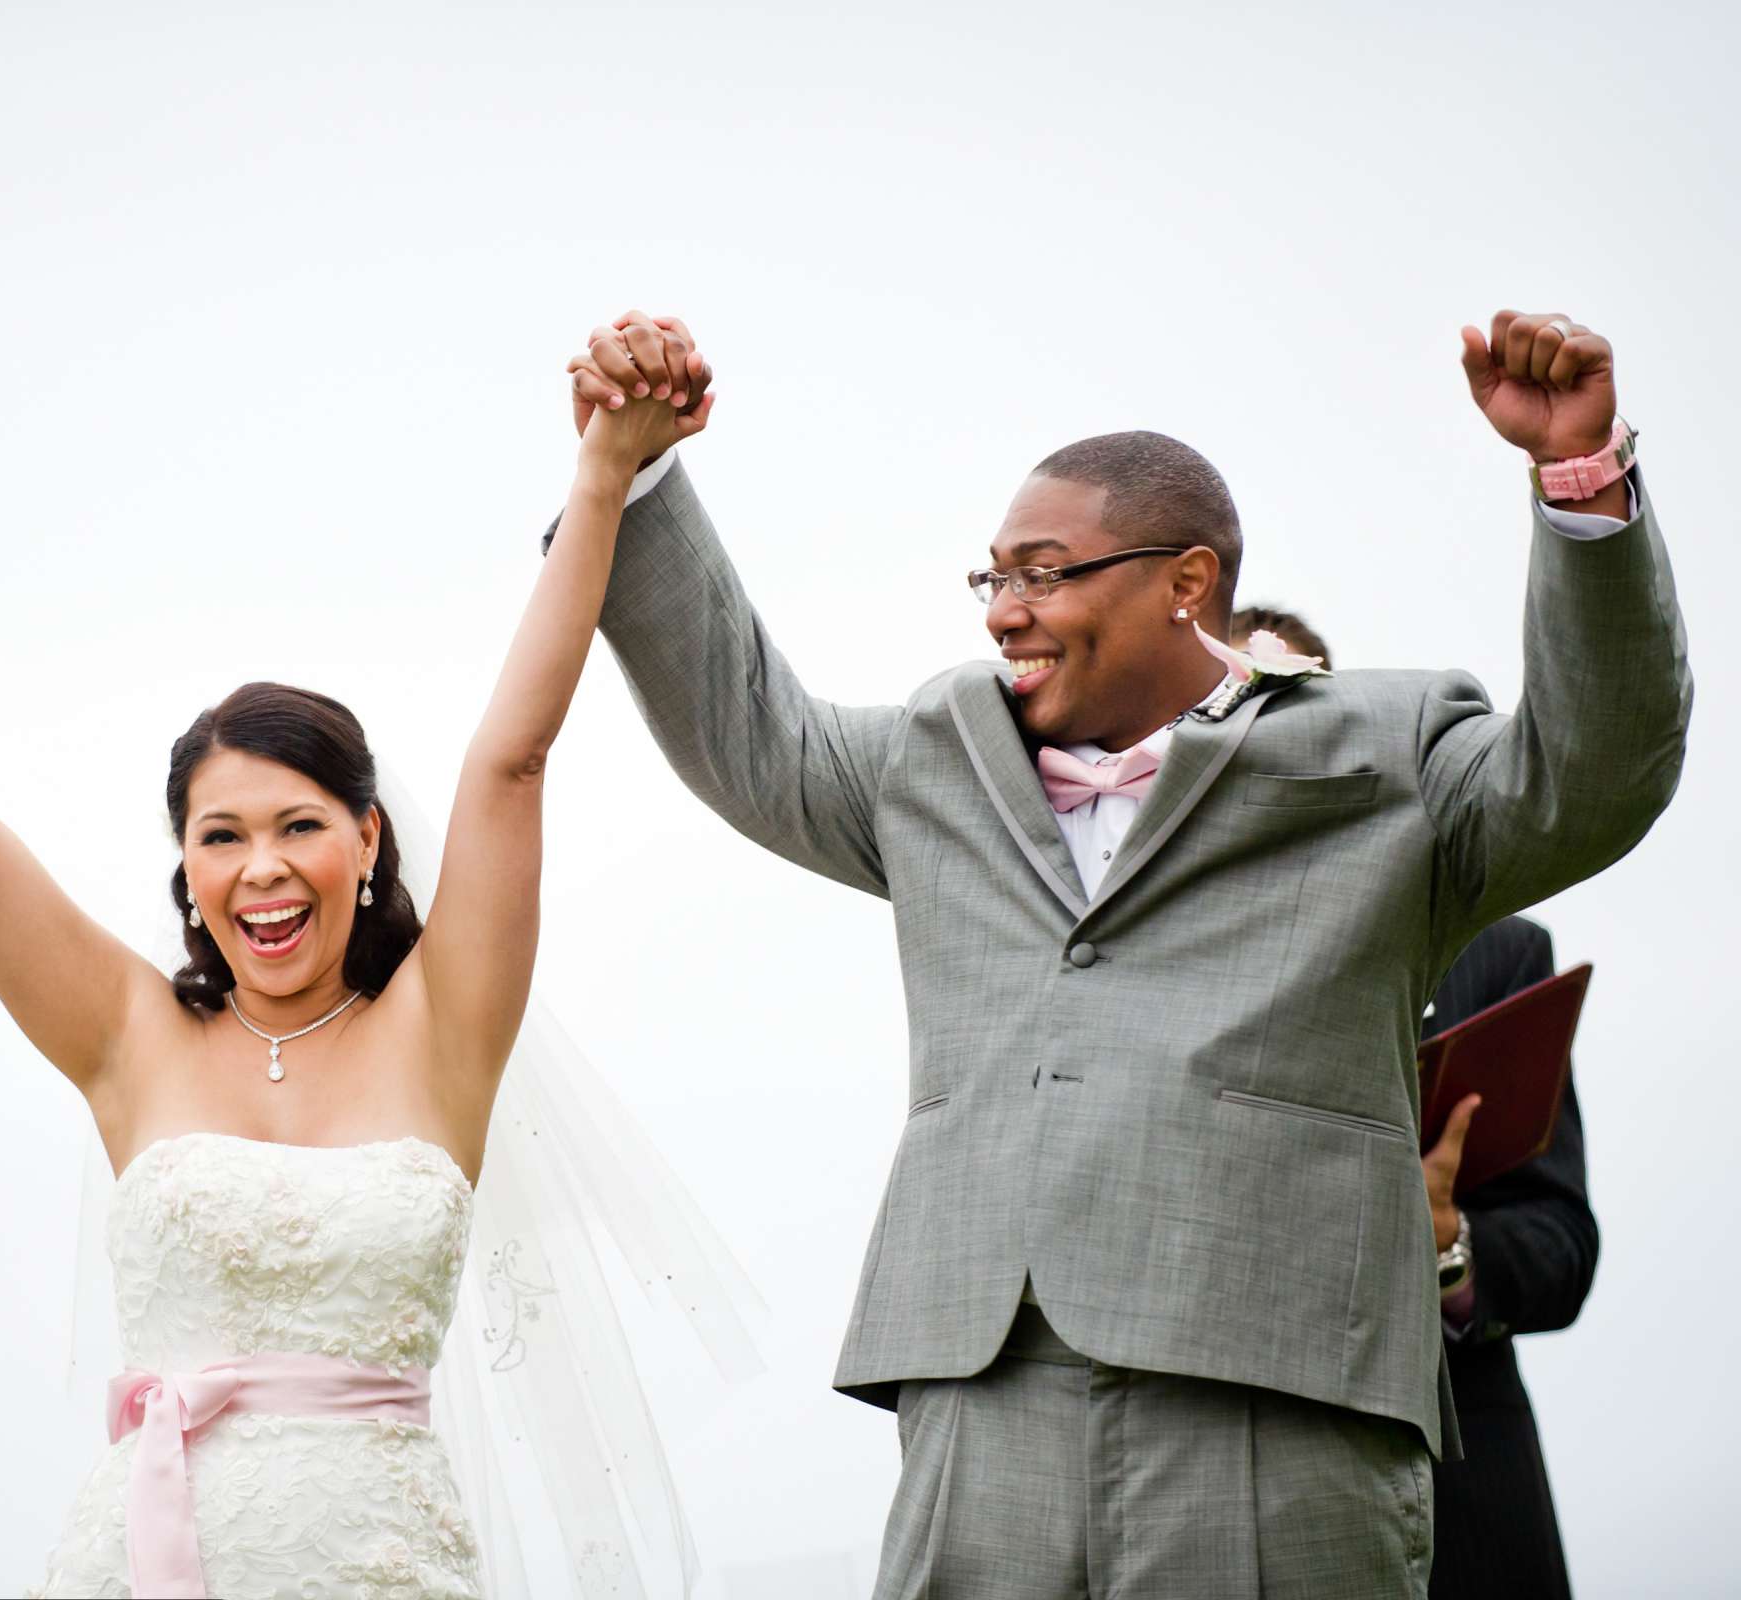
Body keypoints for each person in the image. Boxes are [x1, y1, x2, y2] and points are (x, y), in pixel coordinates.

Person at [555, 309, 1685, 1596]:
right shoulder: (940, 753)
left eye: (1044, 572)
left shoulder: (1389, 747)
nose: (1006, 613)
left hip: (1275, 1398)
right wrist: (637, 476)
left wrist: (1580, 484)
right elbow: (748, 730)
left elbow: (1599, 774)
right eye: (993, 578)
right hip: (982, 1401)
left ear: (1186, 581)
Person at [0, 362, 715, 1597]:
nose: (262, 869)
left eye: (300, 825)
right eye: (222, 836)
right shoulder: (125, 1034)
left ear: (368, 841)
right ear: (188, 866)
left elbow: (511, 760)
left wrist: (601, 475)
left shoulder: (445, 1025)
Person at [1229, 606, 1596, 1599]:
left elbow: (1561, 1253)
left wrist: (1446, 1244)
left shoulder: (1498, 955)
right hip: (1224, 1500)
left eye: (1302, 707)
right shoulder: (1153, 957)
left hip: (1458, 1488)